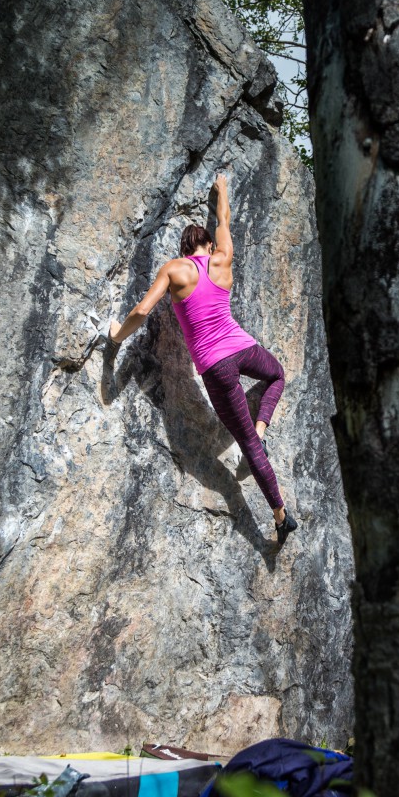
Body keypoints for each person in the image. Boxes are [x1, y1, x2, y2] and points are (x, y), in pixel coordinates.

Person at [109, 174, 298, 545]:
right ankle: (261, 430)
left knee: (248, 444)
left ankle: (280, 514)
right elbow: (224, 220)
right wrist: (221, 189)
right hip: (243, 348)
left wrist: (117, 336)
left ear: (184, 250)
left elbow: (143, 310)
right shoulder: (222, 259)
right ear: (209, 246)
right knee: (276, 375)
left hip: (215, 366)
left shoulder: (174, 269)